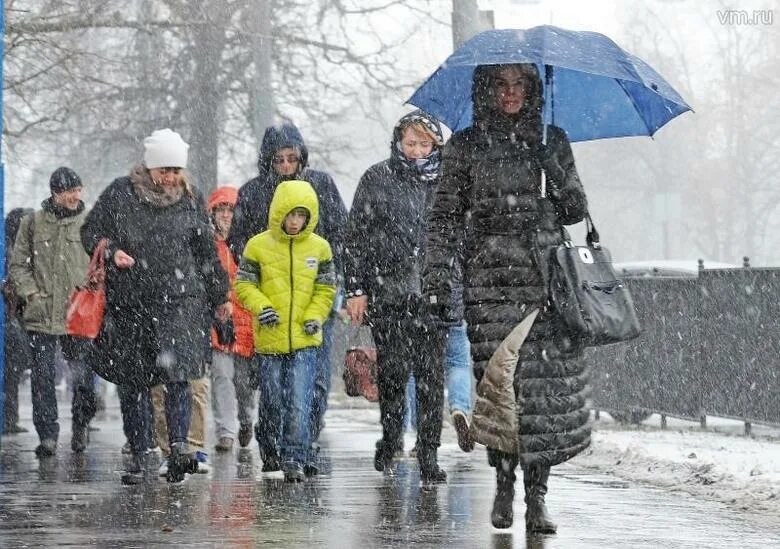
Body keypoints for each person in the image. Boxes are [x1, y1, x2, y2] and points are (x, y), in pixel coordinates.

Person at [422, 64, 591, 532]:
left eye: (520, 84)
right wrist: (437, 274)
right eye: (502, 84)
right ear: (487, 90)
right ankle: (502, 479)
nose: (511, 93)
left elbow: (575, 208)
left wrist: (551, 167)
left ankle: (537, 496)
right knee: (499, 389)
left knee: (540, 395)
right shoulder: (466, 145)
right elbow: (444, 217)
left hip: (543, 283)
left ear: (532, 90)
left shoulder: (550, 139)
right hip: (488, 285)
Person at [80, 128, 230, 484]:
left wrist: (220, 297)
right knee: (134, 381)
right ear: (149, 168)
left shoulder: (190, 198)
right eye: (164, 170)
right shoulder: (121, 193)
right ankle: (139, 448)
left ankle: (177, 448)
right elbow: (90, 232)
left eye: (176, 170)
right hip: (131, 302)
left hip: (180, 303)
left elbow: (206, 254)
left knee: (177, 376)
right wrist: (111, 250)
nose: (171, 177)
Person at [343, 110, 453, 484]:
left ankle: (428, 451)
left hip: (435, 295)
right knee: (392, 375)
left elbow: (461, 236)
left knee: (431, 379)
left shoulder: (449, 181)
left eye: (424, 144)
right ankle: (391, 439)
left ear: (436, 145)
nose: (417, 151)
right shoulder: (376, 178)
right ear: (398, 142)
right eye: (411, 143)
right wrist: (356, 288)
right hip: (389, 293)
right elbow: (355, 237)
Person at [228, 122, 347, 458]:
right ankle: (274, 439)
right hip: (272, 296)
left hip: (315, 290)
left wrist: (327, 267)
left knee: (316, 373)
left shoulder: (320, 185)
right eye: (278, 159)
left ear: (300, 157)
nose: (285, 166)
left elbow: (341, 230)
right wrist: (263, 268)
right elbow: (238, 241)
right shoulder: (253, 193)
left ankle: (306, 433)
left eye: (291, 158)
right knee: (274, 380)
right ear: (268, 160)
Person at [235, 179, 336, 482]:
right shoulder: (258, 245)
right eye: (290, 215)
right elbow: (244, 284)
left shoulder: (320, 248)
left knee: (299, 400)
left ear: (310, 217)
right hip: (270, 339)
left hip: (305, 339)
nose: (295, 222)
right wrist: (261, 305)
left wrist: (315, 315)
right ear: (279, 213)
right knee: (272, 399)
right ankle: (270, 449)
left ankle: (295, 456)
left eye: (301, 216)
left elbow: (326, 288)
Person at [9, 168, 96, 456]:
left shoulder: (90, 223)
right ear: (55, 193)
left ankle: (81, 424)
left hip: (78, 314)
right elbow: (18, 265)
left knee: (83, 377)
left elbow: (100, 263)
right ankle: (47, 434)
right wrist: (31, 293)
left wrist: (92, 292)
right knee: (42, 377)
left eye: (78, 190)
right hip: (41, 314)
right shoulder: (32, 223)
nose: (75, 196)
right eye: (69, 191)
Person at [207, 186, 256, 452]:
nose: (225, 215)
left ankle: (246, 419)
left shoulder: (248, 244)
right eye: (221, 210)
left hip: (247, 321)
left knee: (243, 382)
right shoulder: (206, 245)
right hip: (220, 321)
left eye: (230, 210)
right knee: (222, 375)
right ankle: (226, 431)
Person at [2, 207, 34, 435]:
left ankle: (9, 418)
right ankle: (8, 418)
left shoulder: (16, 248)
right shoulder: (8, 248)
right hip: (10, 318)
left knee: (12, 372)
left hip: (15, 317)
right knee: (11, 371)